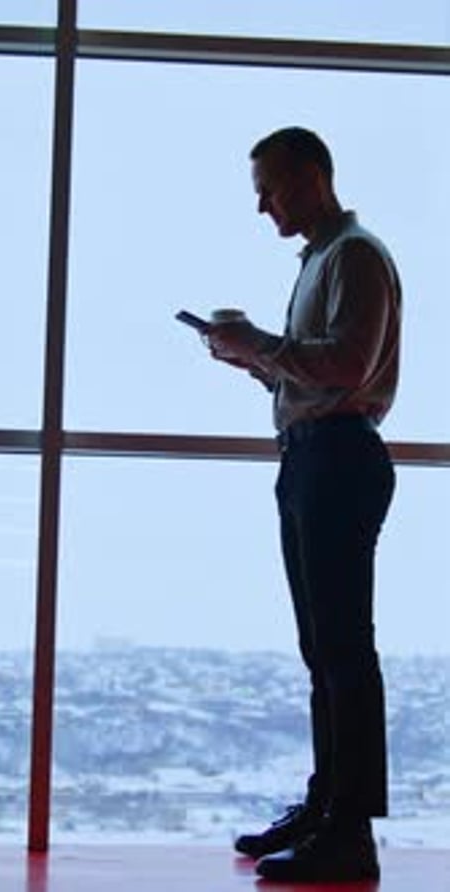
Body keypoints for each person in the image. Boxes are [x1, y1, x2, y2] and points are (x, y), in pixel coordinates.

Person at [206, 127, 401, 883]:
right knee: (326, 650)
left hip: (339, 457)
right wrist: (252, 356)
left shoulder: (354, 255)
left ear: (314, 177)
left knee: (344, 651)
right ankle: (329, 808)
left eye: (272, 188)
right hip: (315, 456)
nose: (264, 207)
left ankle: (349, 831)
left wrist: (261, 341)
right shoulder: (324, 258)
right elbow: (317, 374)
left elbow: (349, 366)